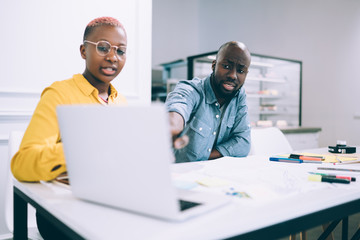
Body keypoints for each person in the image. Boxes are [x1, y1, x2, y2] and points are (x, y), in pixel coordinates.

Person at [11, 16, 127, 239]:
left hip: (110, 202)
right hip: (64, 211)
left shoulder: (120, 101)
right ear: (84, 51)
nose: (113, 57)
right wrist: (80, 150)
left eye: (120, 51)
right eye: (103, 48)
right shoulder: (59, 94)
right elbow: (22, 164)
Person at [166, 41, 251, 163]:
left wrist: (205, 156)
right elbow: (178, 106)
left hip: (214, 177)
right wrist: (172, 126)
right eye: (226, 66)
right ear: (214, 65)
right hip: (181, 175)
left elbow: (243, 144)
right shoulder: (192, 90)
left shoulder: (239, 95)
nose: (233, 75)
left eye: (240, 71)